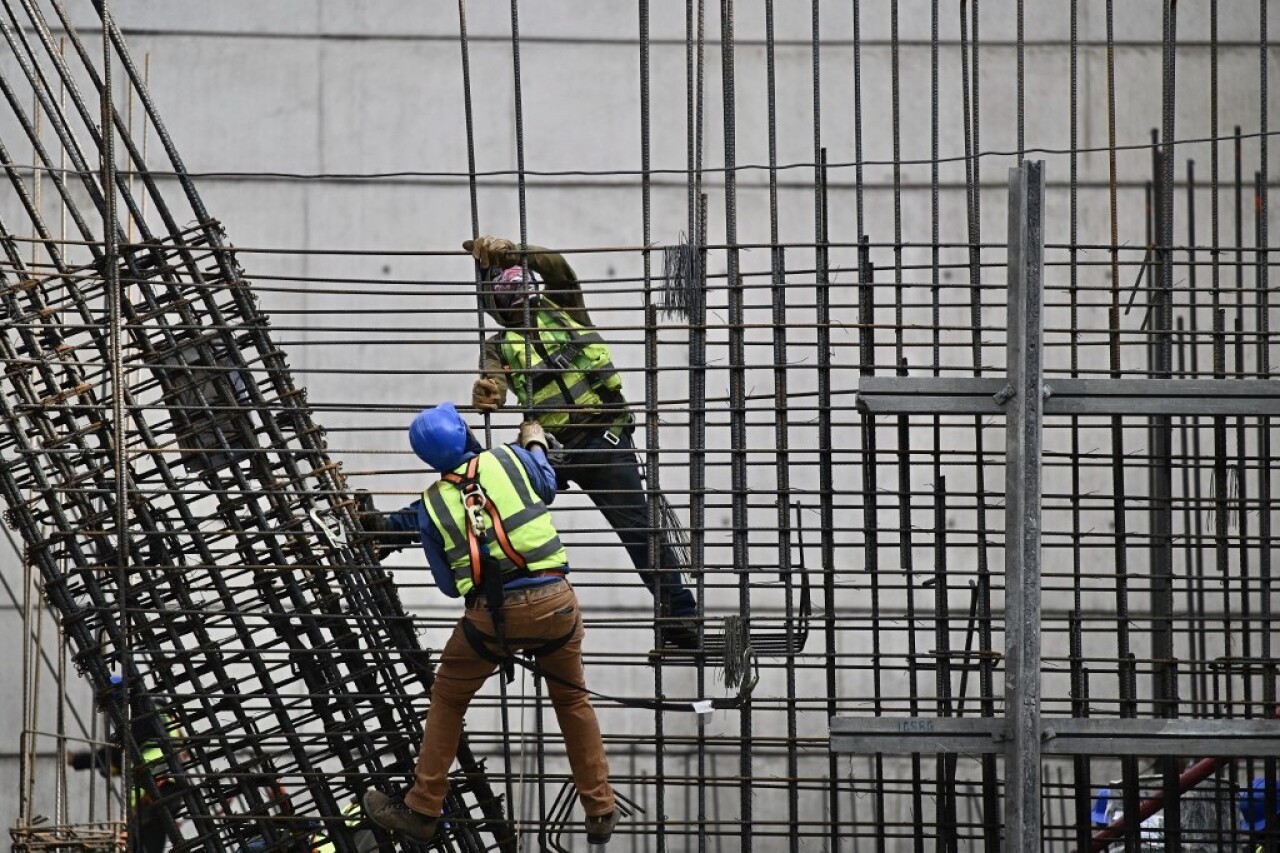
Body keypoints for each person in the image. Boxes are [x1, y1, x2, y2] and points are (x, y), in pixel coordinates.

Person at [359, 402, 619, 845]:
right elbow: (547, 483)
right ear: (464, 434)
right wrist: (534, 440)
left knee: (447, 699)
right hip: (556, 605)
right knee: (573, 703)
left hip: (490, 621)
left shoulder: (432, 504)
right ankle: (600, 807)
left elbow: (446, 586)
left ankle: (423, 806)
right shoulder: (508, 456)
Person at [464, 234, 700, 649]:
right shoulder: (498, 344)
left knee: (640, 531)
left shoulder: (563, 307)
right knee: (487, 500)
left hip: (605, 440)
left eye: (517, 281)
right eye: (500, 290)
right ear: (492, 303)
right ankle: (507, 609)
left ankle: (681, 618)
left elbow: (557, 268)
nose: (513, 294)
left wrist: (517, 250)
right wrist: (488, 392)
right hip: (550, 451)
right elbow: (494, 385)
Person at [68, 675, 181, 853]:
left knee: (140, 842)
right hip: (167, 788)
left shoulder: (143, 717)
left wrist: (80, 760)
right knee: (146, 841)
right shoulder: (156, 711)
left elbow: (126, 755)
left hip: (156, 789)